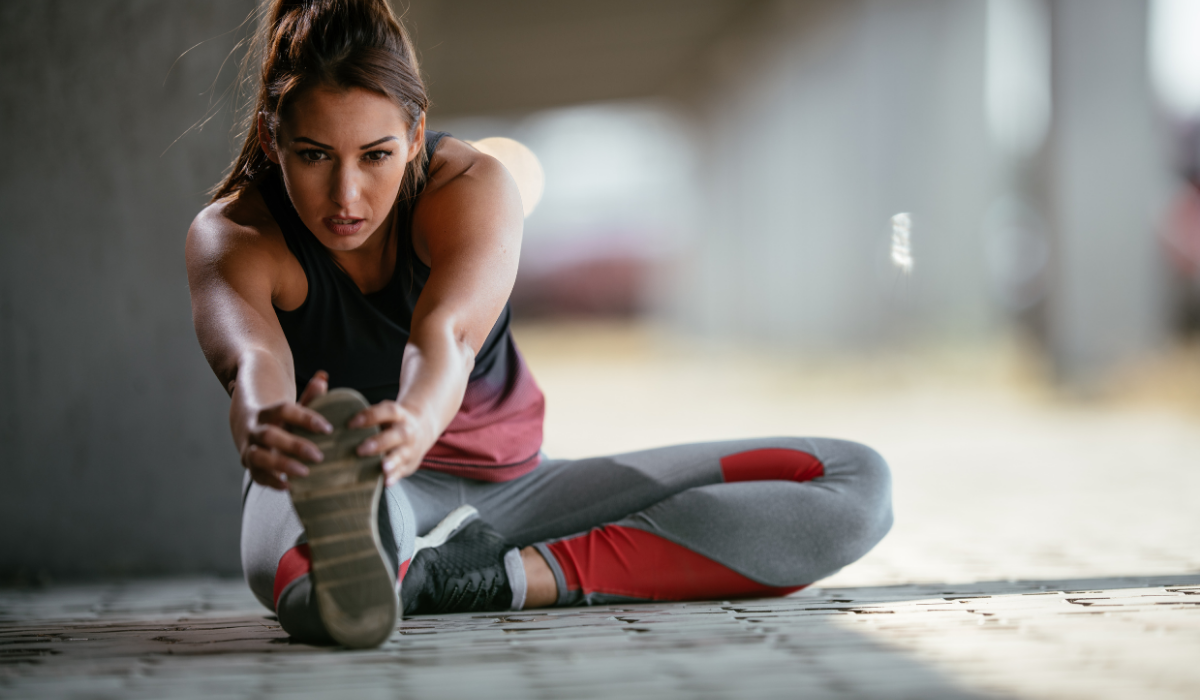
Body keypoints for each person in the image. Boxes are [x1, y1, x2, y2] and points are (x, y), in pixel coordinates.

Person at [187, 0, 893, 649]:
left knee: (853, 484)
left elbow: (449, 337)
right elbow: (252, 362)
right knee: (314, 586)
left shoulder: (468, 187)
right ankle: (385, 562)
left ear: (416, 134)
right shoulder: (237, 235)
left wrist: (415, 421)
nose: (347, 195)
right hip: (364, 484)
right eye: (314, 156)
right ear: (270, 138)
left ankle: (491, 577)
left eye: (376, 156)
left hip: (523, 489)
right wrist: (263, 423)